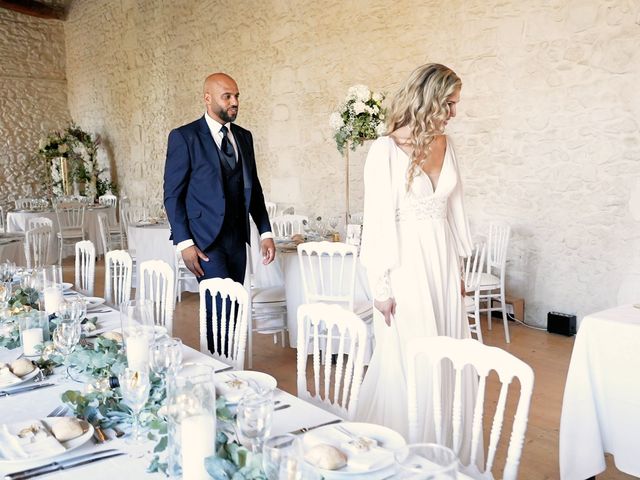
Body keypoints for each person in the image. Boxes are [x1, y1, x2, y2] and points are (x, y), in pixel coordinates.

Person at [356, 63, 480, 466]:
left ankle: (445, 450)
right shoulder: (384, 150)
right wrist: (381, 288)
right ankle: (404, 458)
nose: (454, 112)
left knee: (449, 354)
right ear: (428, 98)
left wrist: (460, 269)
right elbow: (376, 222)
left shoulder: (446, 143)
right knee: (411, 358)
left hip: (441, 262)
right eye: (449, 103)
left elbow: (455, 207)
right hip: (404, 264)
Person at [163, 72, 275, 352]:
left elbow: (254, 189)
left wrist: (265, 232)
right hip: (205, 242)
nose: (234, 101)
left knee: (235, 305)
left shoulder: (244, 137)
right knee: (220, 307)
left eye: (236, 96)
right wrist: (184, 243)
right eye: (228, 96)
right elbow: (173, 195)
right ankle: (218, 370)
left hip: (237, 240)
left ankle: (231, 368)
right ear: (208, 98)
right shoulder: (184, 137)